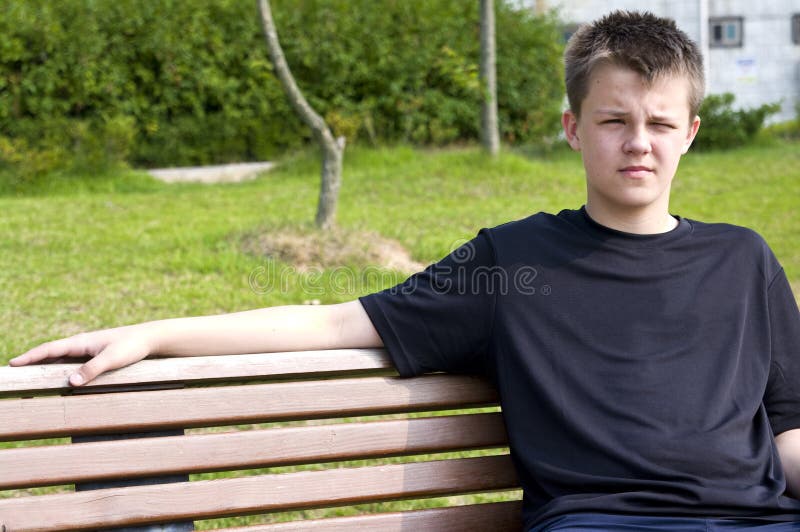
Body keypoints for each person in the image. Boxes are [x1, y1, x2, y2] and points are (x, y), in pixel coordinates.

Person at [9, 10, 800, 532]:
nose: (639, 142)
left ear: (690, 132)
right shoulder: (514, 265)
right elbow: (334, 320)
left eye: (660, 123)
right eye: (613, 120)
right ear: (571, 128)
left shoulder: (742, 260)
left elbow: (788, 429)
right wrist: (154, 333)